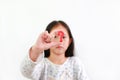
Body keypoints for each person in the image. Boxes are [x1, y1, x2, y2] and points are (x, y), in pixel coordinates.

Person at [20, 20, 89, 80]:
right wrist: (37, 49)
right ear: (47, 39)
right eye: (55, 36)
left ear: (69, 41)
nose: (59, 41)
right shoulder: (42, 64)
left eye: (63, 37)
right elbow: (25, 71)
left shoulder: (75, 63)